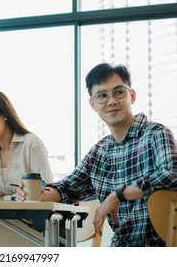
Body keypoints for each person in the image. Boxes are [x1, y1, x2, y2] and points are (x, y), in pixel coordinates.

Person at [16, 63, 177, 247]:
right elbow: (67, 188)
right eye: (102, 95)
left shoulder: (156, 133)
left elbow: (173, 175)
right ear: (93, 104)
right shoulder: (100, 152)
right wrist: (33, 194)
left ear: (131, 95)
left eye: (118, 92)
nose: (111, 101)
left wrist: (117, 195)